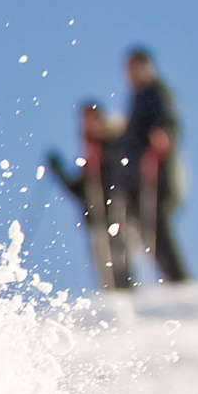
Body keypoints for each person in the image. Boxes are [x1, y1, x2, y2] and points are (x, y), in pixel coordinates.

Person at [46, 99, 135, 292]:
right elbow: (81, 190)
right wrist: (60, 172)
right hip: (96, 217)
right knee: (102, 261)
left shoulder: (113, 143)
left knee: (119, 256)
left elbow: (122, 172)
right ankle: (114, 301)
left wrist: (103, 155)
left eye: (91, 119)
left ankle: (127, 295)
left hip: (116, 211)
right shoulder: (88, 151)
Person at [122, 46, 188, 283]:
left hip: (158, 172)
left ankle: (178, 278)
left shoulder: (156, 91)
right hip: (140, 174)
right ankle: (170, 276)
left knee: (157, 225)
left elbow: (167, 121)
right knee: (147, 227)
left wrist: (163, 135)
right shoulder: (137, 95)